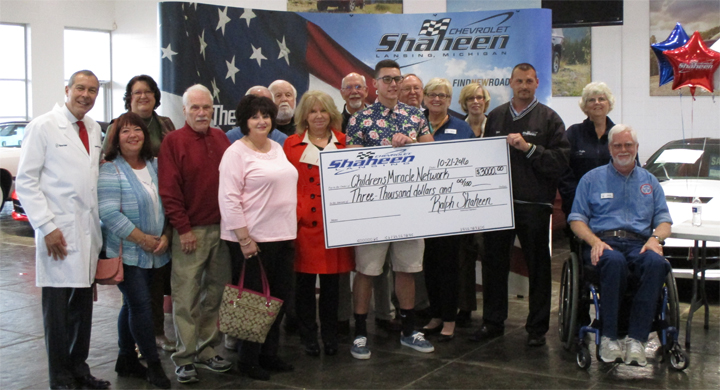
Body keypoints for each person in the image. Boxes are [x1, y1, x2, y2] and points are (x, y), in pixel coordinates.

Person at [16, 70, 110, 390]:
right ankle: (60, 375)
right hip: (58, 231)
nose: (86, 95)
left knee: (82, 307)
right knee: (57, 310)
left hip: (86, 230)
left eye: (93, 90)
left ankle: (79, 368)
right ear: (67, 89)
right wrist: (46, 226)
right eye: (80, 88)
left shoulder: (94, 128)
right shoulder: (42, 126)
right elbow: (27, 182)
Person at [471, 63, 569, 347]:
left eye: (529, 81)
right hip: (498, 205)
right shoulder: (498, 116)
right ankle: (493, 322)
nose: (524, 86)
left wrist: (529, 149)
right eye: (519, 81)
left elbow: (559, 163)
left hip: (534, 205)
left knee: (538, 268)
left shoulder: (550, 119)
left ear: (537, 83)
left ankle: (537, 329)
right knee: (494, 265)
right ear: (510, 83)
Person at [345, 59, 434, 359]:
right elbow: (349, 163)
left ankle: (409, 330)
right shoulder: (360, 119)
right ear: (375, 84)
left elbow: (433, 153)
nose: (393, 84)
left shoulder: (416, 116)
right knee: (367, 271)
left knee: (407, 269)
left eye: (397, 79)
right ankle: (359, 332)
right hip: (373, 210)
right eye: (387, 79)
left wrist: (411, 143)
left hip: (410, 208)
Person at [568, 124, 672, 366]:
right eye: (618, 145)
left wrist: (656, 239)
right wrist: (594, 241)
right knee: (614, 261)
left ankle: (636, 340)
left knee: (658, 263)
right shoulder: (591, 179)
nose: (623, 149)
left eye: (628, 145)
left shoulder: (650, 182)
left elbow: (664, 220)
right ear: (609, 148)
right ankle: (609, 337)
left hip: (640, 243)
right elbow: (576, 219)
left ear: (636, 148)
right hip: (605, 242)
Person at [218, 94, 298, 380]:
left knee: (277, 300)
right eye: (255, 116)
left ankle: (269, 353)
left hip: (283, 236)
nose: (261, 121)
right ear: (244, 122)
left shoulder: (277, 147)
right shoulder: (236, 153)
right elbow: (228, 199)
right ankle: (247, 360)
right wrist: (243, 238)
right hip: (252, 240)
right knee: (253, 303)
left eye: (266, 115)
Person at [158, 84, 232, 384]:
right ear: (185, 110)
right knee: (186, 296)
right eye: (195, 108)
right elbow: (169, 190)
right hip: (190, 232)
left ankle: (207, 349)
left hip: (223, 231)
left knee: (216, 294)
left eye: (206, 108)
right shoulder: (173, 142)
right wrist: (183, 228)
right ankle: (185, 357)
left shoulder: (221, 137)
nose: (202, 113)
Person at [103, 74, 177, 352]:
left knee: (155, 289)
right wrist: (142, 238)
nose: (143, 96)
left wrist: (165, 232)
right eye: (137, 93)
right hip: (130, 232)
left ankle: (151, 335)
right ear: (129, 98)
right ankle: (139, 347)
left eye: (148, 92)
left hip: (159, 219)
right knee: (136, 298)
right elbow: (107, 163)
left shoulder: (165, 124)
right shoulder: (116, 127)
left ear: (156, 96)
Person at [98, 112, 172, 389]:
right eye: (125, 131)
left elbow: (168, 202)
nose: (133, 135)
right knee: (141, 305)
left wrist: (165, 235)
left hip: (157, 251)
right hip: (127, 252)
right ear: (116, 138)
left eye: (137, 130)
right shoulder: (110, 169)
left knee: (132, 305)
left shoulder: (155, 165)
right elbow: (108, 213)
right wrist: (142, 239)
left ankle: (126, 357)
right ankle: (153, 365)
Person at [283, 91, 355, 357]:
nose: (318, 116)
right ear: (304, 116)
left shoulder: (346, 143)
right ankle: (308, 335)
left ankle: (330, 334)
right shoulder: (290, 144)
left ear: (331, 114)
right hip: (302, 227)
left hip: (333, 227)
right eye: (312, 111)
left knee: (331, 288)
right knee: (303, 287)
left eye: (323, 111)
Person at [419, 78, 475, 341]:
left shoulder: (462, 128)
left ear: (450, 100)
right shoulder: (415, 125)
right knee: (428, 263)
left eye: (442, 95)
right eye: (432, 94)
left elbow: (472, 164)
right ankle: (436, 314)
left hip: (451, 208)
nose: (437, 99)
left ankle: (450, 320)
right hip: (421, 207)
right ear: (425, 97)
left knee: (449, 264)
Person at [456, 82, 492, 326]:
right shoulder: (457, 127)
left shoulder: (497, 125)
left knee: (490, 258)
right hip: (461, 202)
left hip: (490, 202)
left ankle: (491, 312)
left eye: (479, 97)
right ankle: (465, 308)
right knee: (464, 258)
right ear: (464, 103)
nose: (475, 102)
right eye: (471, 98)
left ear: (486, 101)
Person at [559, 81, 622, 218]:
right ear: (585, 107)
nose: (597, 103)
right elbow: (563, 170)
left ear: (609, 104)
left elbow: (632, 168)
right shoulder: (573, 133)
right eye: (591, 100)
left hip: (615, 206)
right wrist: (575, 197)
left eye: (602, 99)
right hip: (579, 205)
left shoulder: (619, 134)